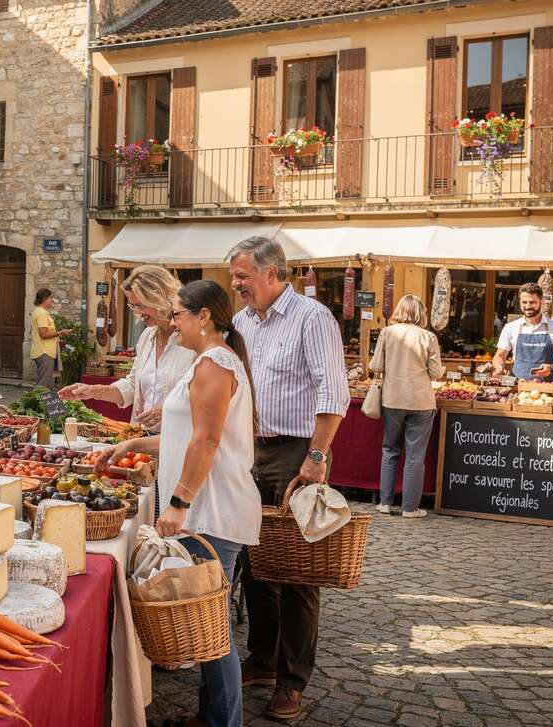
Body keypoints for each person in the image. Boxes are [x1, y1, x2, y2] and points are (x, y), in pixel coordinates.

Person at [98, 280, 259, 727]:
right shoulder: (208, 362)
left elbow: (205, 441)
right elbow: (189, 435)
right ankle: (212, 715)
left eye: (179, 315)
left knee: (214, 628)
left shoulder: (213, 364)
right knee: (208, 621)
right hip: (207, 508)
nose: (174, 323)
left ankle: (224, 721)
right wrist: (135, 442)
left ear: (203, 316)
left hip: (212, 510)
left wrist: (178, 503)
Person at [228, 236, 350, 722]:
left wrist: (317, 455)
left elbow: (334, 390)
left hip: (298, 452)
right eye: (234, 277)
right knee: (256, 562)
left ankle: (292, 680)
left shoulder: (312, 318)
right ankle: (263, 660)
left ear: (274, 273)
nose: (235, 285)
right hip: (249, 452)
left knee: (299, 568)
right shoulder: (240, 323)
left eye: (243, 277)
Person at [59, 265, 196, 433]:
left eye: (141, 305)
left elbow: (209, 399)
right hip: (142, 438)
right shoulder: (147, 337)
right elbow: (132, 385)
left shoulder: (193, 341)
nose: (138, 313)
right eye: (133, 306)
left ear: (160, 298)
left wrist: (168, 411)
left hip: (180, 438)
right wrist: (91, 391)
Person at [370, 295, 444, 518]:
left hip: (392, 399)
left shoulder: (387, 333)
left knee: (390, 450)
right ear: (421, 312)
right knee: (415, 456)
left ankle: (385, 503)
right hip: (421, 401)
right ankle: (410, 508)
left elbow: (375, 366)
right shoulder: (428, 336)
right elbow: (436, 372)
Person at [492, 282, 553, 380]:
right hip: (518, 386)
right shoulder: (510, 327)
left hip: (548, 387)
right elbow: (500, 355)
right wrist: (499, 367)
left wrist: (552, 368)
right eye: (524, 302)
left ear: (542, 301)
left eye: (532, 302)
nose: (528, 306)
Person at [30, 288, 71, 388]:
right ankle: (32, 403)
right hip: (44, 352)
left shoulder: (37, 311)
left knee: (48, 384)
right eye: (50, 298)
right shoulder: (42, 313)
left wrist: (57, 335)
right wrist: (60, 332)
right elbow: (43, 334)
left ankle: (52, 404)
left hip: (44, 351)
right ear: (45, 299)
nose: (52, 300)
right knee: (42, 385)